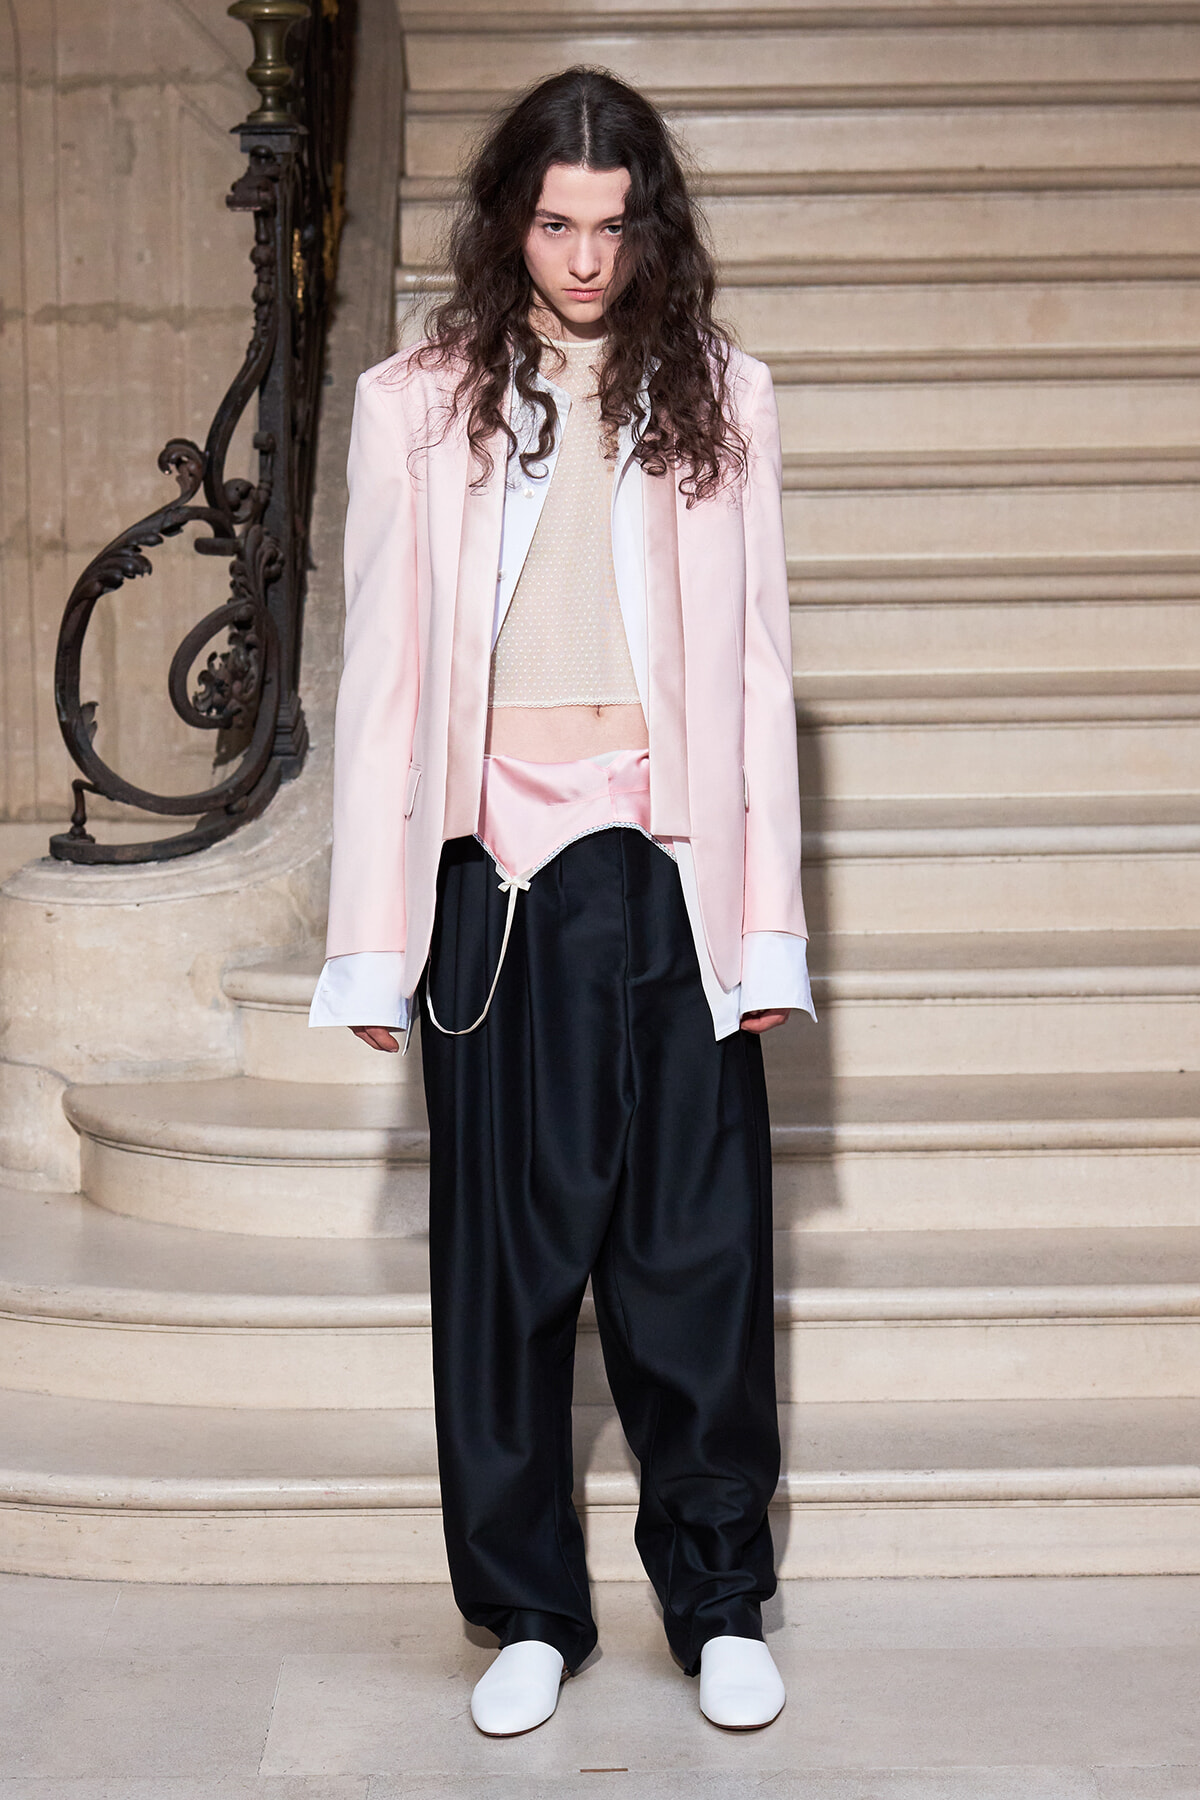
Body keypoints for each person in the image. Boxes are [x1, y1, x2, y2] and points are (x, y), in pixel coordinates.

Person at [309, 65, 814, 1735]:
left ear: (645, 224)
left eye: (611, 225)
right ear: (509, 220)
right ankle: (528, 1606)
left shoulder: (726, 395)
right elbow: (383, 679)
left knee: (696, 1255)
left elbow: (751, 678)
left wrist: (764, 936)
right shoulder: (418, 399)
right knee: (505, 1267)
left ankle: (719, 1593)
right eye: (554, 222)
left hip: (668, 862)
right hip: (496, 876)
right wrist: (371, 936)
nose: (585, 259)